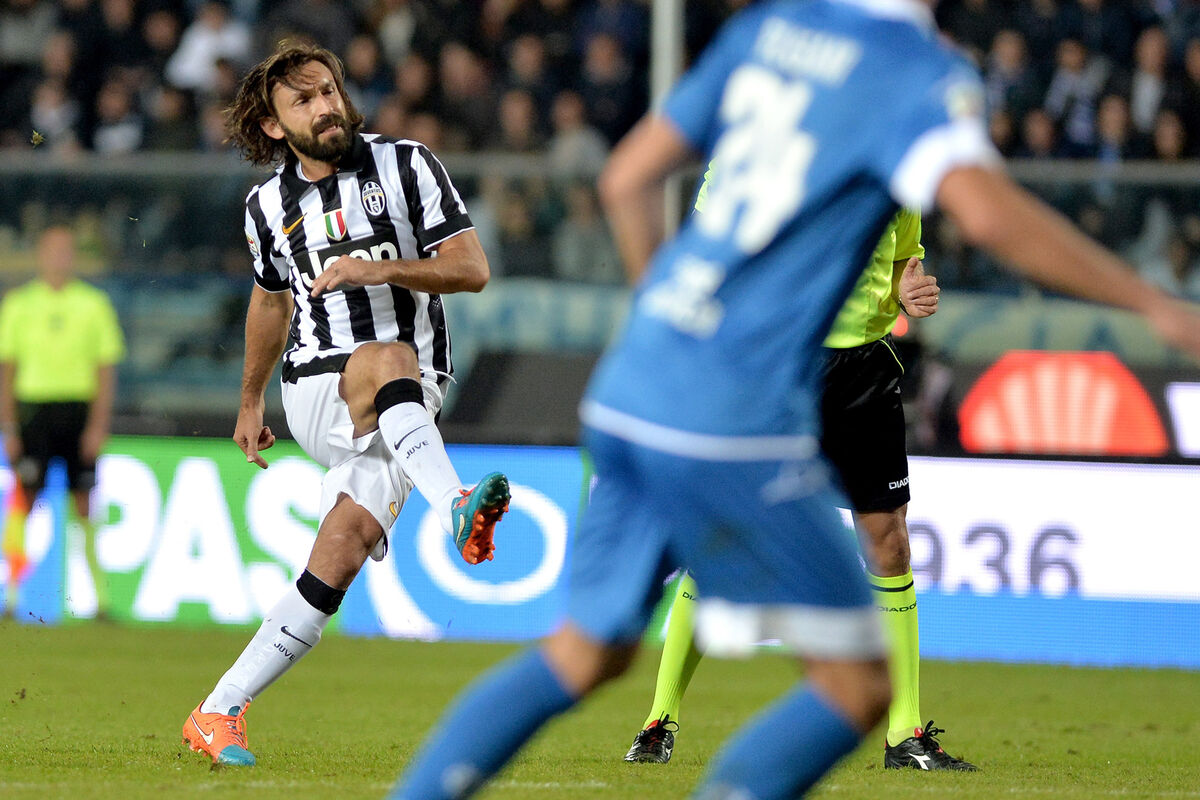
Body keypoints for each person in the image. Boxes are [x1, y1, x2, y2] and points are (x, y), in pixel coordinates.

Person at [391, 2, 1200, 798]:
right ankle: (694, 731)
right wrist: (1150, 304)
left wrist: (677, 320)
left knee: (584, 653)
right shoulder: (914, 68)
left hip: (637, 380)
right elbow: (989, 215)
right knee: (856, 680)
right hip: (741, 404)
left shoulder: (768, 32)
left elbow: (625, 178)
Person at [181, 41, 511, 767]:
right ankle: (455, 505)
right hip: (317, 383)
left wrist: (380, 269)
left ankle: (217, 710)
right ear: (274, 126)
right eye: (303, 101)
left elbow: (472, 268)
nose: (325, 106)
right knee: (386, 356)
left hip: (408, 400)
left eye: (328, 90)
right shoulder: (267, 207)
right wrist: (249, 400)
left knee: (342, 550)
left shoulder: (407, 165)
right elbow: (271, 302)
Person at [622, 190, 975, 771]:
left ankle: (905, 734)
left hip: (864, 372)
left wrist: (907, 290)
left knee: (888, 540)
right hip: (778, 366)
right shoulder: (759, 154)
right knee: (725, 537)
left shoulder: (893, 169)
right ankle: (659, 721)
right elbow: (709, 253)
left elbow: (900, 263)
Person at [0, 224, 124, 620]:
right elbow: (7, 370)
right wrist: (9, 427)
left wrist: (98, 426)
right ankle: (12, 599)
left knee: (84, 504)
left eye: (66, 251)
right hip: (33, 411)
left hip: (77, 412)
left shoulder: (94, 304)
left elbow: (105, 370)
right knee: (24, 500)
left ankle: (100, 601)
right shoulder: (18, 304)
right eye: (52, 250)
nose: (59, 258)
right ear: (40, 255)